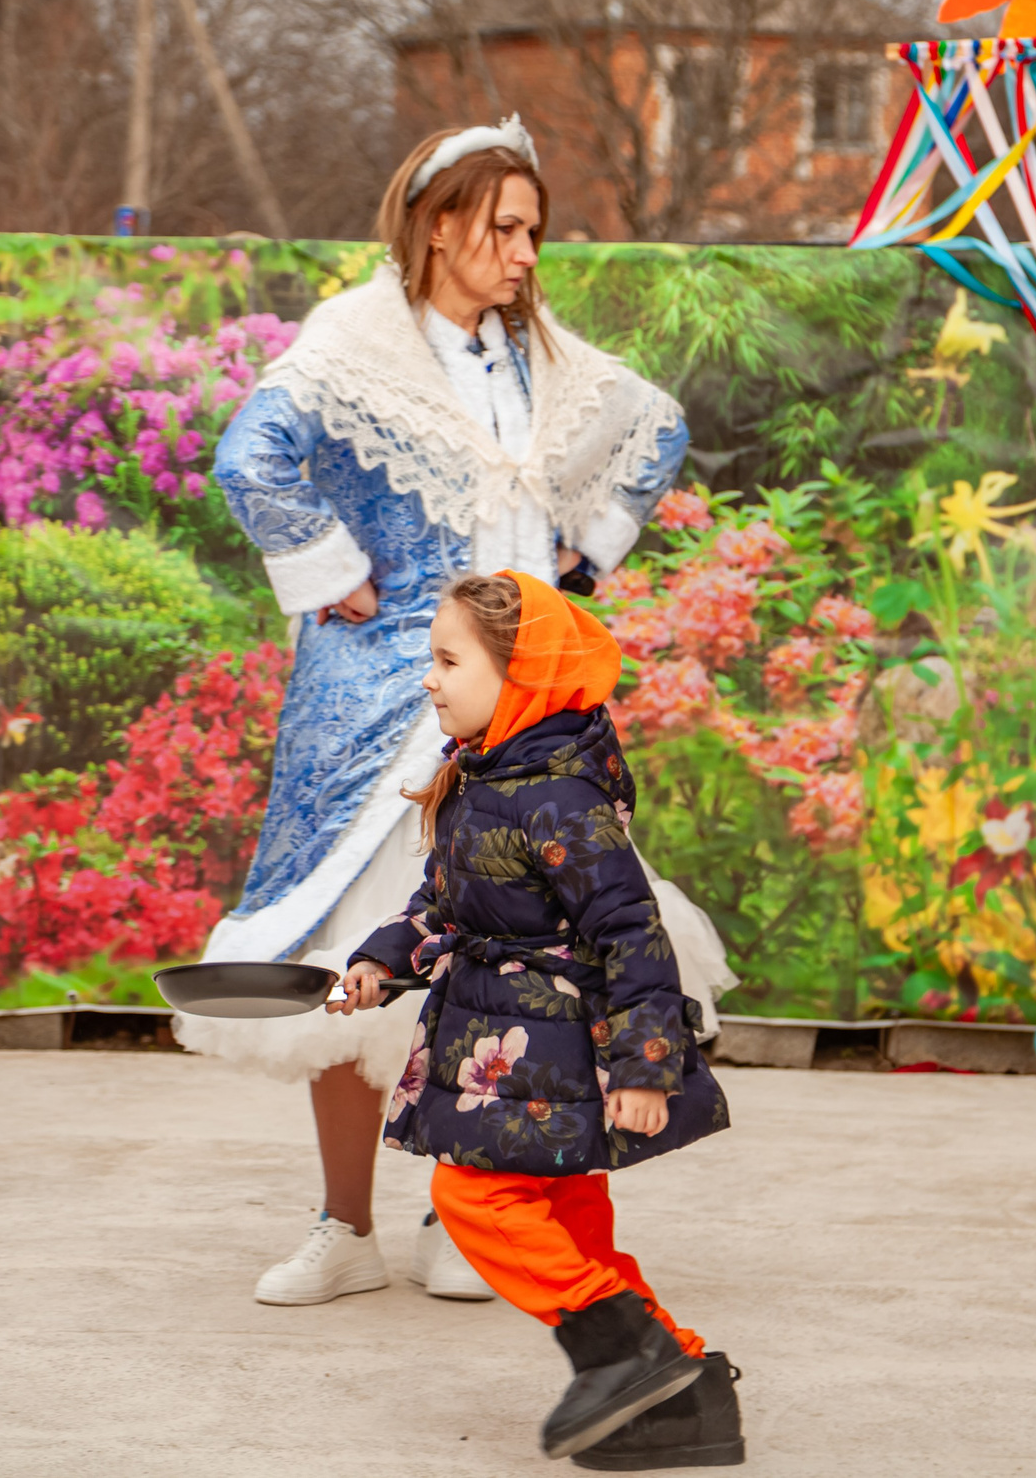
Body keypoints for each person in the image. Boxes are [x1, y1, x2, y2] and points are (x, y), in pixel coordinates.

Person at [186, 117, 732, 1306]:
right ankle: (344, 1226)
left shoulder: (546, 363)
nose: (527, 254)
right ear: (440, 226)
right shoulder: (351, 344)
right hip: (380, 711)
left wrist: (582, 561)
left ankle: (467, 1214)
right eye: (507, 228)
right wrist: (332, 569)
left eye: (535, 231)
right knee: (355, 961)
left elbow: (657, 428)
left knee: (514, 961)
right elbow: (249, 459)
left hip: (518, 715)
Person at [337, 571, 741, 1469]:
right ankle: (686, 1390)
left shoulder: (560, 797)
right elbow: (444, 905)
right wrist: (380, 960)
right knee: (573, 1229)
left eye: (449, 661)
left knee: (472, 1198)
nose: (430, 678)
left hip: (550, 1054)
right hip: (504, 1045)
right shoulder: (483, 776)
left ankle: (627, 1357)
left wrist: (645, 1067)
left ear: (518, 674)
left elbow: (632, 932)